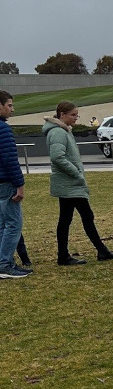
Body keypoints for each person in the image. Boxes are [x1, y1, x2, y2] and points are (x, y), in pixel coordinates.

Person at [43, 101, 113, 266]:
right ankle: (98, 251)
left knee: (68, 218)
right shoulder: (58, 132)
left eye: (76, 115)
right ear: (62, 114)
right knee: (84, 216)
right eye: (73, 115)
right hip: (70, 183)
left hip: (70, 183)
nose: (76, 119)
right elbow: (58, 157)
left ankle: (71, 254)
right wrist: (76, 174)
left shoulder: (63, 131)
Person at [0, 90, 30, 279]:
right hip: (6, 182)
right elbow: (10, 159)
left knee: (2, 224)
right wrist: (19, 184)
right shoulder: (3, 128)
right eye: (9, 105)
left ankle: (3, 262)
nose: (12, 109)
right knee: (13, 224)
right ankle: (5, 264)